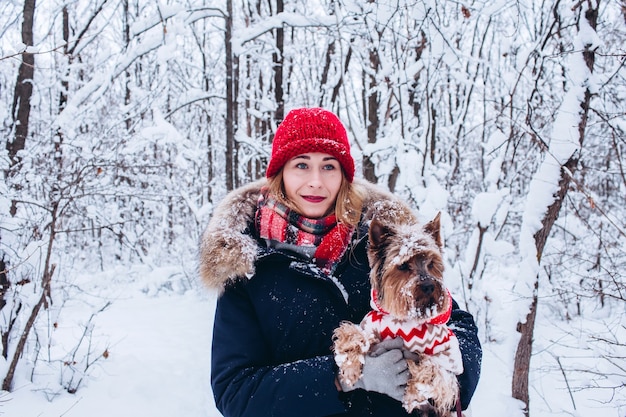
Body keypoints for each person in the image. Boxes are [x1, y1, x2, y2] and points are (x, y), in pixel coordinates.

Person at [199, 107, 481, 417]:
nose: (316, 181)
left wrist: (445, 372)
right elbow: (236, 392)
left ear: (344, 176)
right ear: (280, 174)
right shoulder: (249, 264)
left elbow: (456, 322)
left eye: (329, 166)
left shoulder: (382, 244)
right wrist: (344, 377)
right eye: (302, 165)